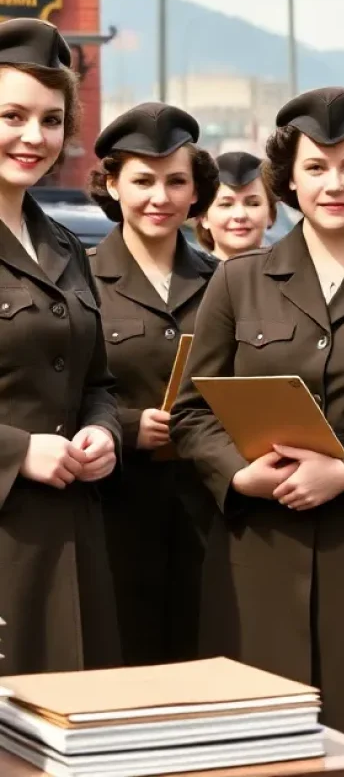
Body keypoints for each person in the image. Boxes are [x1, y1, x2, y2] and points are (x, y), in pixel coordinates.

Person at [172, 87, 344, 746]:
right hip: (260, 552)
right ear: (289, 180)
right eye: (315, 168)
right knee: (254, 739)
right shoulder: (238, 280)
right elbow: (194, 412)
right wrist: (238, 474)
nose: (333, 184)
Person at [0, 18, 120, 675]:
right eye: (12, 115)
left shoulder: (65, 246)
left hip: (71, 536)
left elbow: (94, 381)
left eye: (51, 120)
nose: (33, 137)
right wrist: (19, 451)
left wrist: (104, 433)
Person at [87, 104, 220, 665]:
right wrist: (125, 426)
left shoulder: (225, 281)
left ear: (196, 193)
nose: (159, 198)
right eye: (142, 181)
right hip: (111, 507)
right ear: (112, 185)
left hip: (208, 510)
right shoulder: (79, 277)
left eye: (175, 182)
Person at [197, 151, 277, 259]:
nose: (240, 215)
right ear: (203, 217)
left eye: (253, 204)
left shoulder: (297, 274)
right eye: (226, 204)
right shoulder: (181, 274)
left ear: (270, 214)